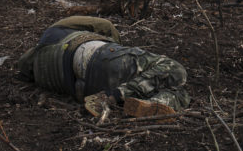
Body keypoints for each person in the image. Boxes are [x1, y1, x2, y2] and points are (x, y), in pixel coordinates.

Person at [17, 16, 190, 118]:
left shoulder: (39, 66)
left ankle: (150, 105)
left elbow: (23, 69)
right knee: (175, 70)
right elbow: (106, 26)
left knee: (180, 92)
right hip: (97, 56)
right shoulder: (56, 28)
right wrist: (119, 48)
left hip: (84, 89)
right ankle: (114, 95)